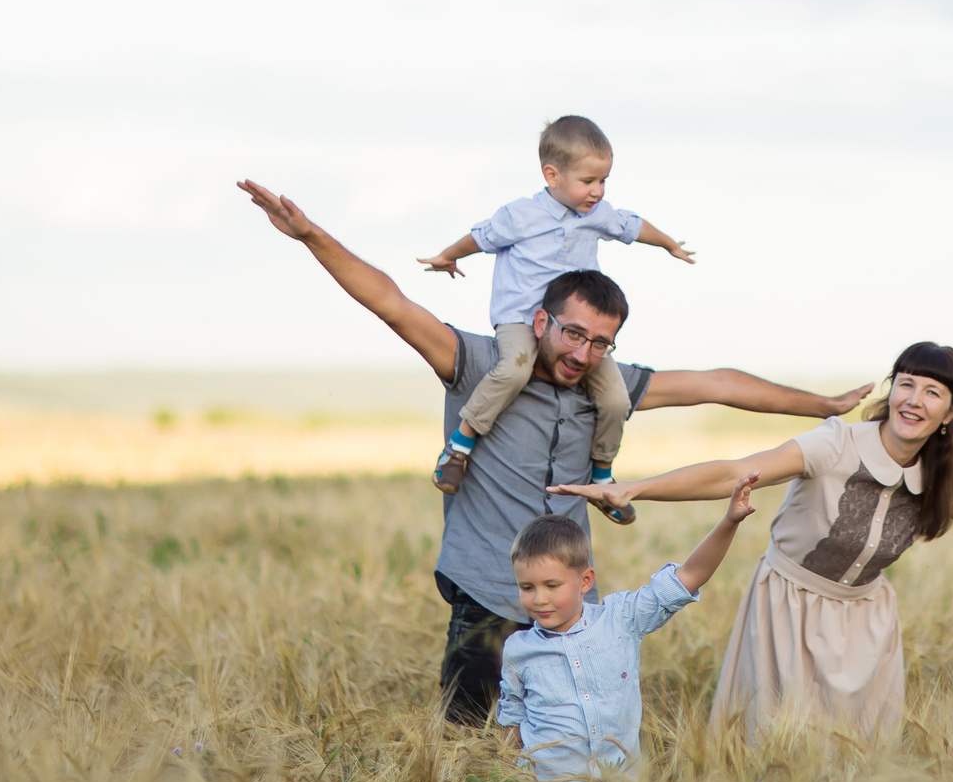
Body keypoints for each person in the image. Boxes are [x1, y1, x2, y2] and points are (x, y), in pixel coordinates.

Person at [236, 178, 865, 726]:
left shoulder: (607, 387)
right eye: (573, 334)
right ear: (540, 321)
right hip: (487, 590)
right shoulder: (478, 363)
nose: (583, 354)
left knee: (565, 740)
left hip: (572, 608)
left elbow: (717, 383)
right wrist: (310, 235)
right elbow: (391, 302)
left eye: (601, 343)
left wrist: (822, 406)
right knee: (468, 739)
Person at [552, 341, 953, 744]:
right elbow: (736, 471)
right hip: (789, 605)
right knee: (773, 744)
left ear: (950, 412)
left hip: (867, 619)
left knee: (857, 751)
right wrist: (636, 488)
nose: (914, 400)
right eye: (906, 385)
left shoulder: (939, 478)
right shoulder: (836, 443)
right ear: (892, 390)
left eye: (932, 392)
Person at [417, 115, 696, 496]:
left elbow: (632, 226)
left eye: (603, 181)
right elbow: (480, 239)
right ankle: (459, 446)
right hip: (521, 319)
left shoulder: (598, 214)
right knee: (514, 370)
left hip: (577, 328)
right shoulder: (520, 215)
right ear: (552, 175)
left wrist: (669, 244)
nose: (597, 191)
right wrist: (448, 256)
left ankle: (602, 474)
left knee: (616, 398)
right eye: (588, 181)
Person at [495, 473, 762, 782]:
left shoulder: (620, 619)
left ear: (585, 580)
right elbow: (512, 722)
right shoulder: (518, 650)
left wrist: (730, 521)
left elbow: (689, 576)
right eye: (527, 587)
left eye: (552, 585)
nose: (539, 599)